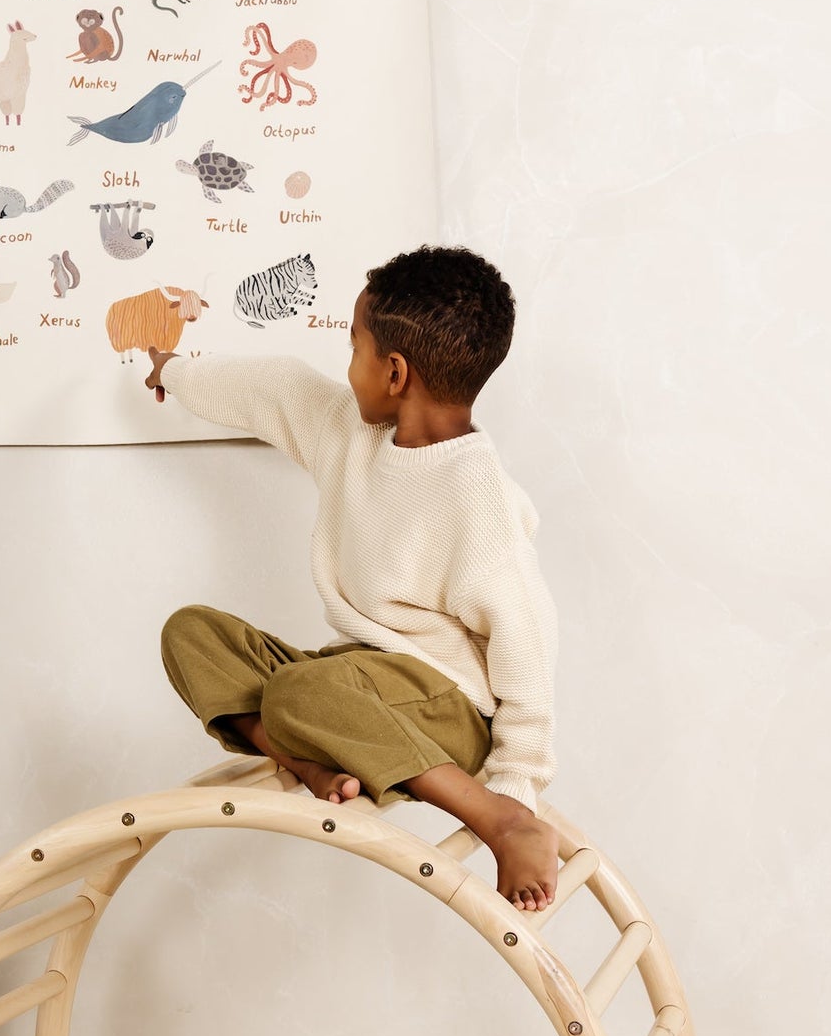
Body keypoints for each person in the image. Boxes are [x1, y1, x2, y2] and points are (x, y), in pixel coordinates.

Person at [145, 245, 561, 911]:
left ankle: (498, 820)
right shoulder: (348, 430)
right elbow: (276, 388)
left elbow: (528, 642)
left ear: (394, 372)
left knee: (300, 693)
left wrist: (517, 781)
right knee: (191, 633)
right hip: (356, 683)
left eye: (353, 347)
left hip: (449, 710)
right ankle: (311, 763)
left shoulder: (476, 499)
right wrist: (174, 369)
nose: (347, 366)